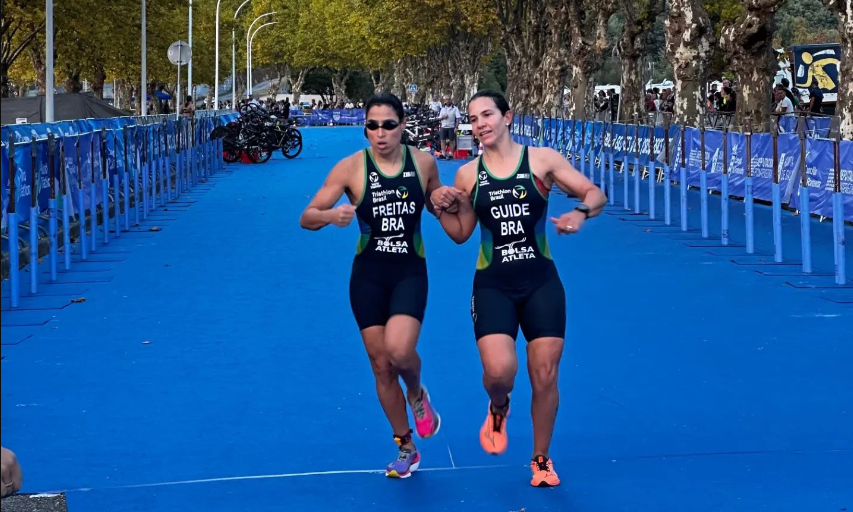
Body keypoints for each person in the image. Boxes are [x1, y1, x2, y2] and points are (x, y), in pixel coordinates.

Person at [430, 90, 606, 488]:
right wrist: (437, 208)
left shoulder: (542, 160)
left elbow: (595, 193)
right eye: (473, 119)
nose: (480, 125)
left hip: (541, 282)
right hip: (493, 284)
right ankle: (498, 405)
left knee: (544, 374)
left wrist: (580, 213)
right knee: (499, 372)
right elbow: (461, 234)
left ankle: (541, 459)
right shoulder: (468, 175)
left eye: (487, 115)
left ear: (507, 117)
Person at [299, 93, 443, 479]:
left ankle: (416, 391)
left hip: (410, 271)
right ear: (365, 128)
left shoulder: (424, 162)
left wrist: (445, 199)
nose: (380, 133)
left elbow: (435, 202)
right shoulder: (350, 169)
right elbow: (307, 217)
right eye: (373, 126)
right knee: (381, 365)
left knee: (399, 351)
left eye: (389, 125)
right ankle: (406, 446)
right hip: (368, 276)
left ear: (403, 126)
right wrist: (331, 215)